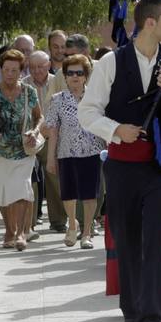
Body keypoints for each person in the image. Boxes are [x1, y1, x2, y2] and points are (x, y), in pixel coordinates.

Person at [78, 0, 161, 322]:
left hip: (160, 169)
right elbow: (87, 112)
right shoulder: (111, 63)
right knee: (128, 241)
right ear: (151, 22)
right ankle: (131, 311)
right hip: (121, 168)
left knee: (155, 242)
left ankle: (152, 318)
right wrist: (117, 130)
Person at [0, 49, 43, 250]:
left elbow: (39, 117)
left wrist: (34, 130)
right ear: (1, 69)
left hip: (23, 148)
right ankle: (9, 231)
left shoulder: (28, 92)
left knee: (22, 188)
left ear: (21, 72)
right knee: (3, 192)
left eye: (15, 70)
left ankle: (22, 233)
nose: (10, 74)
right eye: (6, 69)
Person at [43, 54, 106, 248]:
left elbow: (104, 124)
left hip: (93, 152)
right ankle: (72, 225)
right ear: (65, 76)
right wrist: (50, 158)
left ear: (86, 75)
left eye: (79, 72)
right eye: (70, 73)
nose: (75, 77)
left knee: (90, 194)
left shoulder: (96, 99)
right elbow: (53, 131)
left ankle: (86, 233)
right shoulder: (57, 99)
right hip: (66, 152)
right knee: (68, 193)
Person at [27, 50, 67, 235]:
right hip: (32, 138)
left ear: (49, 65)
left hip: (53, 136)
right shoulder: (24, 84)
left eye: (40, 67)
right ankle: (30, 221)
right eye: (33, 67)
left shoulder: (58, 81)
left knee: (54, 178)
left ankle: (58, 221)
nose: (36, 71)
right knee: (31, 179)